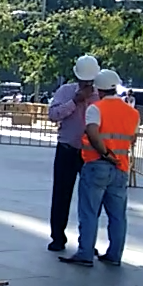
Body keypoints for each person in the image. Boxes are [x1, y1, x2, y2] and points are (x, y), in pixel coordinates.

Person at [60, 69, 139, 267]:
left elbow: (93, 134)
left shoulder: (96, 108)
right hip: (121, 167)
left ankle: (85, 253)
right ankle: (114, 255)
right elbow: (131, 138)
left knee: (89, 211)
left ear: (99, 88)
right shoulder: (132, 112)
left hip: (97, 164)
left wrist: (105, 153)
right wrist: (115, 156)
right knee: (118, 215)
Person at [45, 54, 100, 252]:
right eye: (83, 80)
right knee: (61, 195)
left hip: (91, 153)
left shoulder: (100, 95)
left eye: (90, 81)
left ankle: (87, 242)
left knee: (90, 199)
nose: (86, 84)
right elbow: (52, 114)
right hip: (67, 149)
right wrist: (74, 102)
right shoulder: (66, 91)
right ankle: (57, 237)